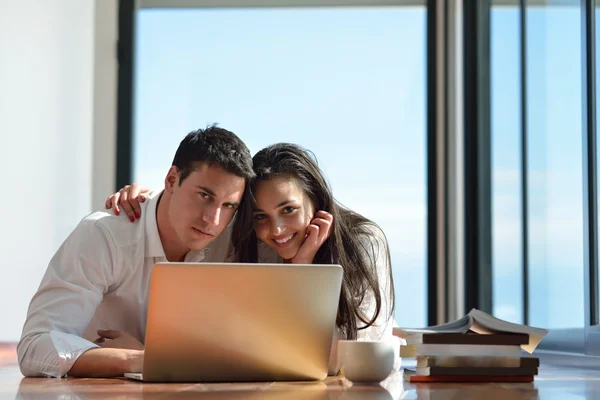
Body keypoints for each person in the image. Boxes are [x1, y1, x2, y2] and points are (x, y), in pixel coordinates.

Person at [108, 143, 399, 373]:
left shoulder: (362, 242)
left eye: (288, 210)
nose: (276, 230)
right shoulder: (253, 244)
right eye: (261, 216)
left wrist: (300, 272)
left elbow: (352, 356)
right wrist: (142, 199)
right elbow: (232, 344)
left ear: (318, 202)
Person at [17, 126, 255, 378]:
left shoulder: (231, 243)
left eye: (229, 205)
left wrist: (150, 355)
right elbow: (34, 349)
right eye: (204, 195)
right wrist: (140, 359)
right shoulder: (104, 235)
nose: (213, 219)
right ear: (172, 180)